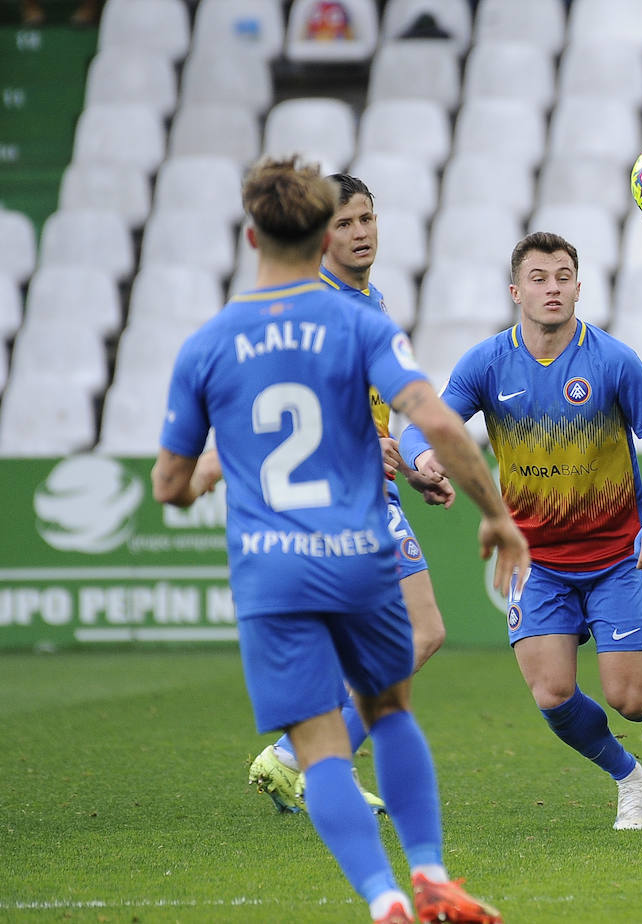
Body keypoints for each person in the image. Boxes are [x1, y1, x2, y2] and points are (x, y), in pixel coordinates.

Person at [152, 155, 528, 924]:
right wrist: (495, 511)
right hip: (357, 550)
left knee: (320, 746)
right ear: (322, 231)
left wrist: (211, 472)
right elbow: (436, 416)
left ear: (251, 232)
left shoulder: (210, 342)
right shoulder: (359, 323)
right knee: (389, 712)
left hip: (271, 570)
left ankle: (383, 900)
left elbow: (169, 485)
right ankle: (428, 874)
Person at [400, 231, 642, 831]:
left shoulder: (612, 359)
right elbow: (426, 423)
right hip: (535, 561)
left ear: (580, 288)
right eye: (539, 278)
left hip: (615, 557)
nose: (552, 288)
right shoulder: (487, 362)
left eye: (563, 276)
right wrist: (420, 456)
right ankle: (629, 779)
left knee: (627, 698)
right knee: (552, 694)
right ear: (516, 291)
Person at [247, 173, 456, 815]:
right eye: (344, 223)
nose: (360, 232)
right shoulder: (322, 308)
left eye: (366, 218)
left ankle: (299, 762)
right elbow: (297, 408)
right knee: (420, 634)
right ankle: (298, 763)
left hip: (367, 491)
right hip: (342, 497)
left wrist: (412, 467)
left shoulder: (368, 300)